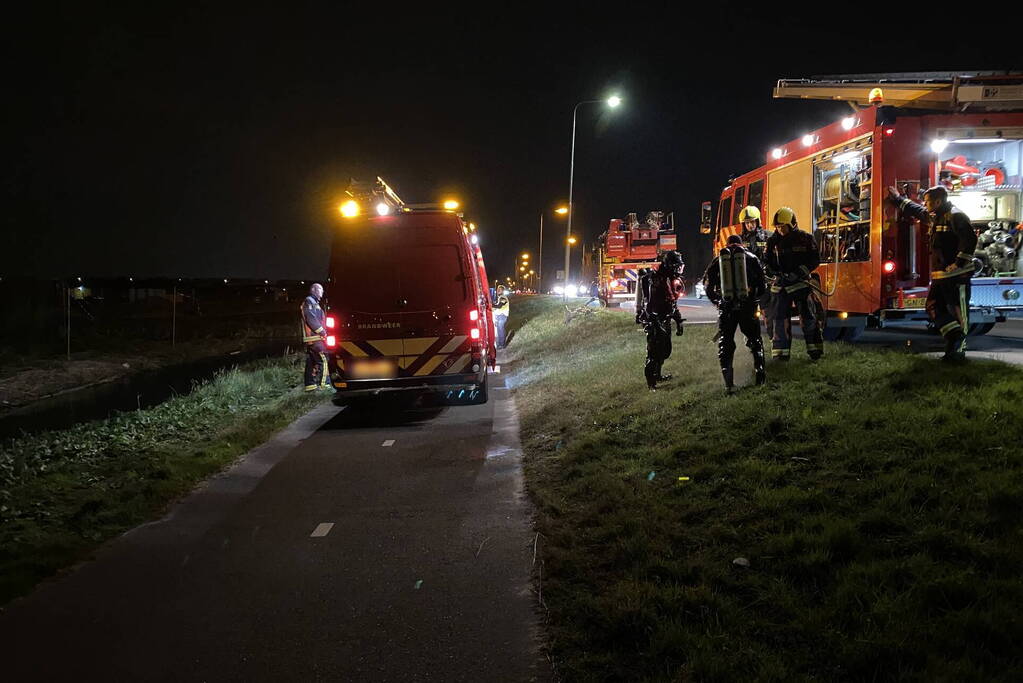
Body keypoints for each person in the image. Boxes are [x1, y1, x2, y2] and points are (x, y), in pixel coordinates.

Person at [887, 185, 977, 361]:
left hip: (957, 276)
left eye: (927, 201)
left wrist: (958, 263)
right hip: (941, 276)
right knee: (932, 306)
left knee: (959, 313)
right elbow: (918, 211)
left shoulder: (956, 216)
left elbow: (970, 239)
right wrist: (898, 199)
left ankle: (957, 353)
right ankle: (955, 337)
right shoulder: (935, 215)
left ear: (938, 202)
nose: (925, 204)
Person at [704, 235, 767, 392]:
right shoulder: (752, 258)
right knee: (755, 340)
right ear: (741, 244)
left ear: (727, 244)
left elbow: (708, 286)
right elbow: (762, 286)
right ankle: (760, 377)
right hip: (748, 307)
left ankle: (728, 383)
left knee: (726, 342)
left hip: (727, 308)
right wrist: (753, 297)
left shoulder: (718, 260)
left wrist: (718, 301)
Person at [764, 207, 823, 360]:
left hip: (800, 285)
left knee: (809, 318)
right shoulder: (772, 241)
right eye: (777, 227)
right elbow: (767, 262)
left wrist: (799, 273)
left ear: (792, 224)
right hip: (781, 287)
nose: (780, 229)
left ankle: (815, 351)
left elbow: (815, 259)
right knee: (779, 320)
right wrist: (775, 272)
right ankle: (781, 355)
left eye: (782, 226)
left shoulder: (805, 238)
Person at [641, 250, 685, 390]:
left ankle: (658, 375)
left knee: (664, 350)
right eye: (676, 266)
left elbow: (672, 303)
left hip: (664, 318)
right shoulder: (657, 280)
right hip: (654, 320)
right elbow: (650, 305)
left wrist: (678, 321)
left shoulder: (669, 278)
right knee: (653, 352)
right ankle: (651, 384)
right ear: (669, 265)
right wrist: (656, 324)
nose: (678, 270)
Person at [738, 205, 772, 329]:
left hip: (765, 281)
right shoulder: (739, 240)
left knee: (768, 313)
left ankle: (772, 336)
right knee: (749, 315)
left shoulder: (768, 236)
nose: (750, 225)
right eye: (747, 223)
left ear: (757, 221)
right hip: (748, 283)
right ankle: (752, 338)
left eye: (752, 222)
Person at [300, 283, 331, 391]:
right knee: (324, 359)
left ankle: (310, 385)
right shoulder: (309, 302)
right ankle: (325, 384)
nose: (322, 292)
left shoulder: (313, 303)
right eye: (320, 289)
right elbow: (311, 319)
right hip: (315, 338)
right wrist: (323, 332)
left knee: (311, 361)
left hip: (313, 338)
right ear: (314, 290)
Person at [493, 284, 510, 349]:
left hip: (502, 316)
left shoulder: (503, 297)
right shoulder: (500, 298)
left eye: (499, 290)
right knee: (499, 330)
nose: (498, 291)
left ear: (502, 291)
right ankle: (500, 344)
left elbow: (499, 306)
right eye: (497, 289)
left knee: (501, 329)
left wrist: (491, 305)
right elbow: (497, 307)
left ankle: (502, 344)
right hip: (499, 316)